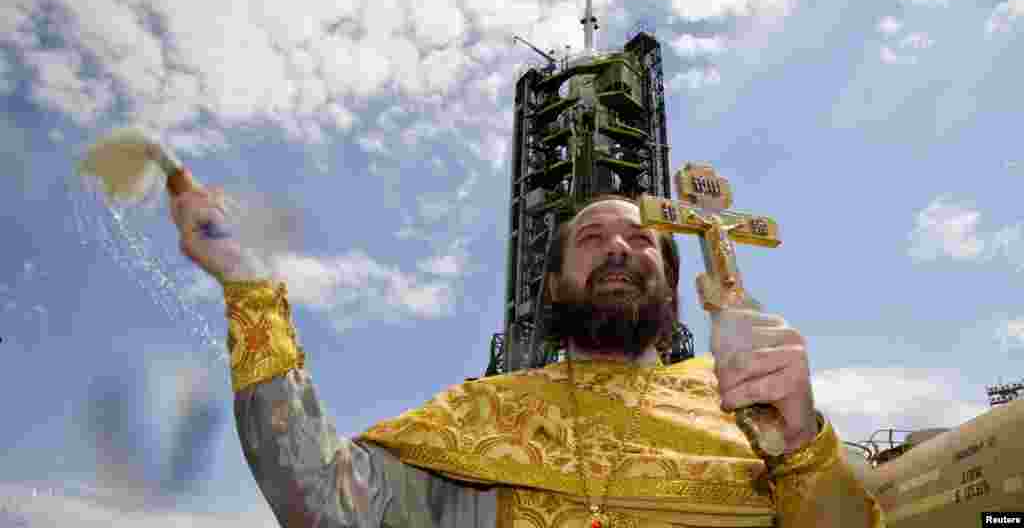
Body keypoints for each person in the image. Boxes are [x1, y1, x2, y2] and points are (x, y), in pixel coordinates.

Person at [171, 181, 884, 527]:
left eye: (641, 241)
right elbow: (324, 496)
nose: (617, 247)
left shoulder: (752, 408)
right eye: (592, 238)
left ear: (673, 280)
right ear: (553, 285)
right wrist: (251, 292)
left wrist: (799, 446)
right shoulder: (482, 416)